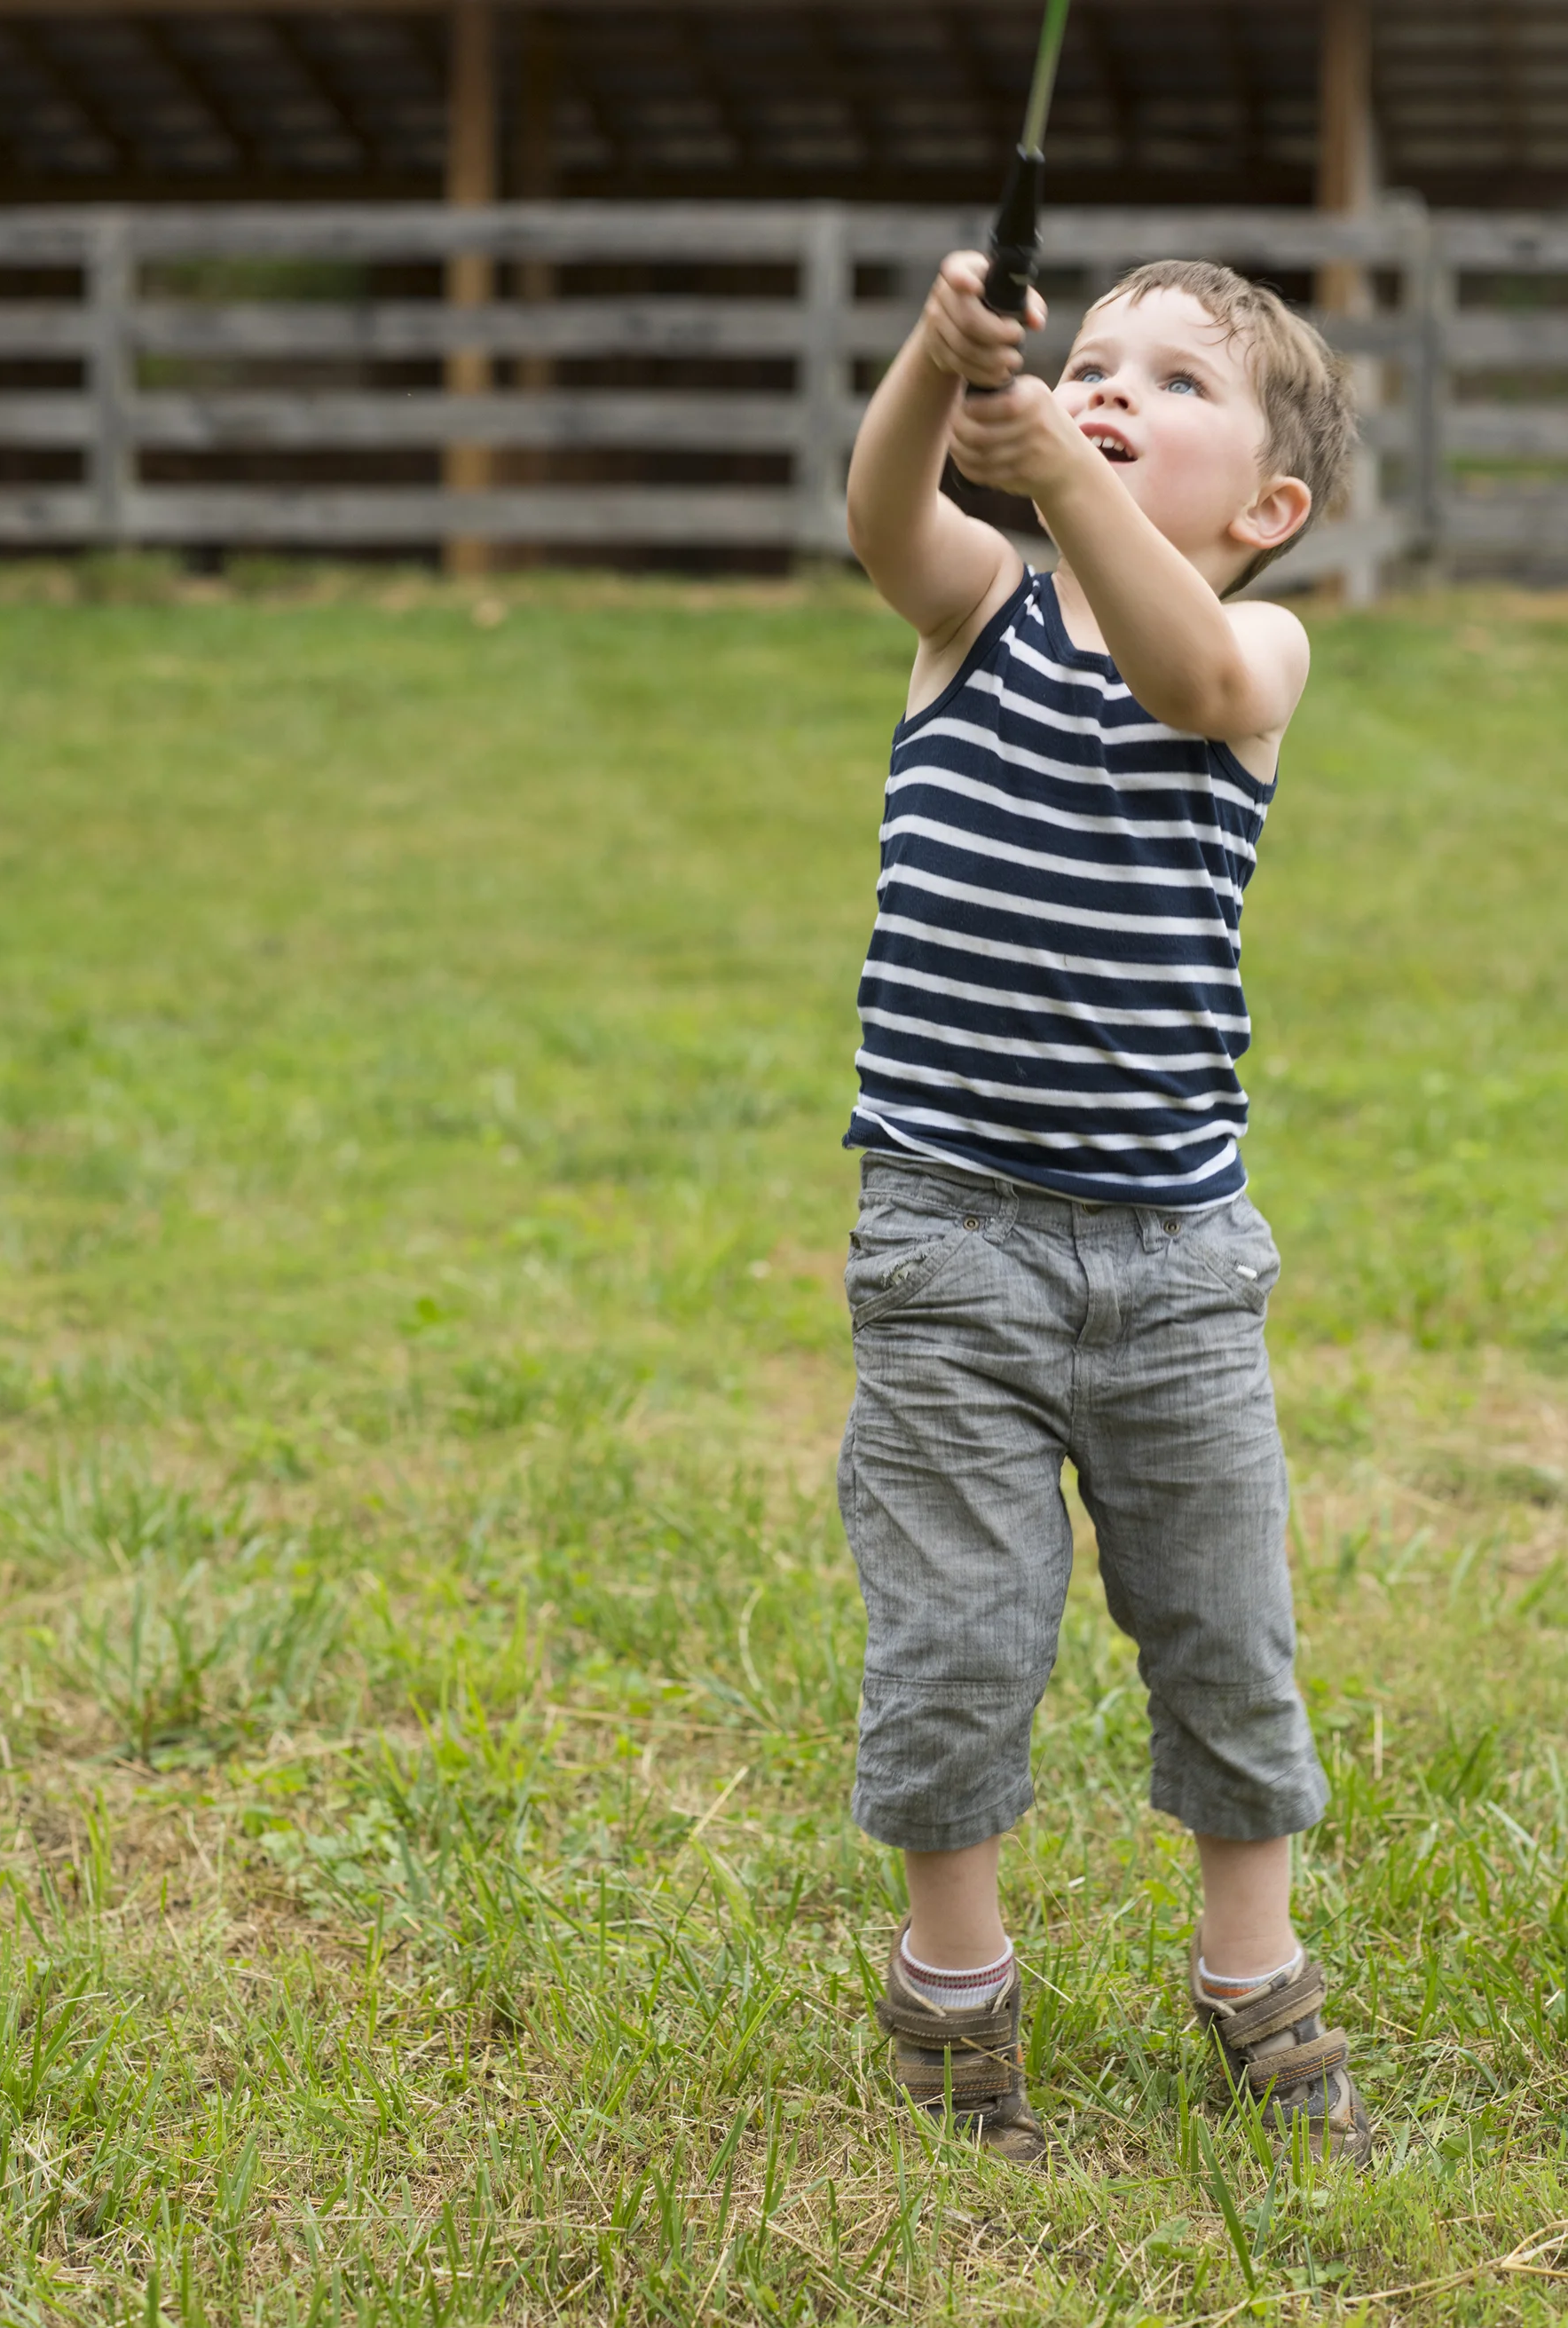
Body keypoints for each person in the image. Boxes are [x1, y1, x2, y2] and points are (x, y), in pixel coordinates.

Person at [839, 251, 1370, 2166]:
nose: (1107, 387)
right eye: (1085, 361)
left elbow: (1188, 670)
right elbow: (882, 513)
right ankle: (955, 1977)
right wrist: (933, 364)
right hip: (948, 1244)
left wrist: (1056, 464)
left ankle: (1250, 1969)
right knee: (959, 1636)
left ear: (1268, 510)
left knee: (1225, 1634)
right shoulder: (974, 609)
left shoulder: (1262, 651)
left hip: (1174, 1271)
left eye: (1172, 382)